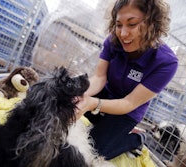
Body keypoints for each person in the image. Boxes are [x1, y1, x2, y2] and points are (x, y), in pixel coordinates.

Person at [75, 0, 178, 160]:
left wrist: (91, 103)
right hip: (107, 93)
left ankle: (136, 139)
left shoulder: (166, 62)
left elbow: (129, 103)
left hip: (127, 111)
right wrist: (80, 95)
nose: (123, 34)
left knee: (94, 151)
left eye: (132, 24)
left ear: (152, 24)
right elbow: (99, 77)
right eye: (118, 25)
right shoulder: (112, 41)